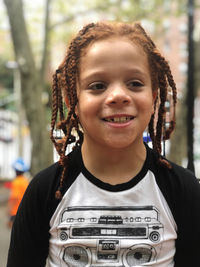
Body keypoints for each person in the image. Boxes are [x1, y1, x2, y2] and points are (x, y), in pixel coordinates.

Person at [6, 21, 200, 267]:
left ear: (153, 97)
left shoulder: (183, 190)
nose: (118, 95)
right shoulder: (45, 191)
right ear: (72, 99)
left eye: (135, 83)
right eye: (97, 86)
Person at [7, 158, 29, 228]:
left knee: (14, 230)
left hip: (16, 211)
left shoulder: (16, 182)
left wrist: (10, 209)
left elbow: (15, 197)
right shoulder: (25, 181)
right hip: (24, 209)